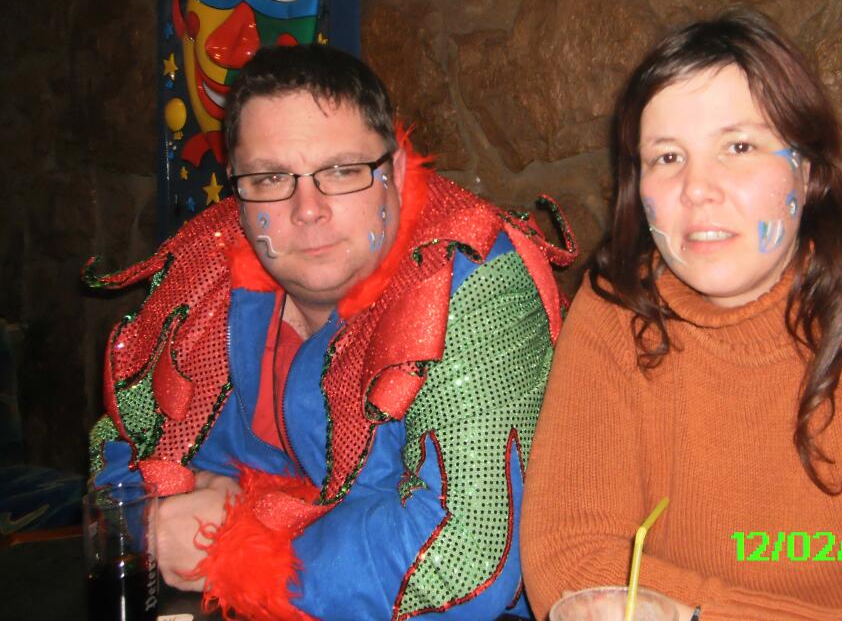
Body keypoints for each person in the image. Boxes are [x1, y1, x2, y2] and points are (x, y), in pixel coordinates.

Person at [521, 8, 842, 620]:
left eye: (739, 146)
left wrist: (688, 613)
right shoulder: (618, 310)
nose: (696, 188)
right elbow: (570, 563)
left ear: (807, 171)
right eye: (667, 157)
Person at [86, 43, 576, 621]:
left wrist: (234, 547)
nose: (307, 209)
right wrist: (148, 520)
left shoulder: (472, 281)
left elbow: (465, 556)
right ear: (238, 190)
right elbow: (117, 450)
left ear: (395, 173)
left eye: (342, 171)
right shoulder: (203, 272)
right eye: (271, 177)